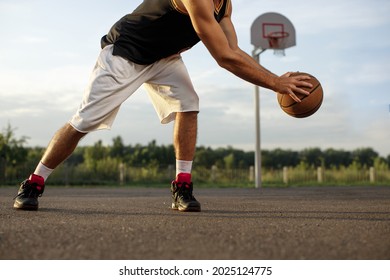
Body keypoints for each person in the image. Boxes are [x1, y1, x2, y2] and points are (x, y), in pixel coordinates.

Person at [13, 0, 312, 212]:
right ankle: (33, 182)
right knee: (84, 121)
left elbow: (233, 49)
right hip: (127, 51)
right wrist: (276, 83)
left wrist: (275, 78)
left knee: (189, 104)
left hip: (164, 58)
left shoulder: (224, 5)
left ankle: (182, 185)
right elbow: (223, 57)